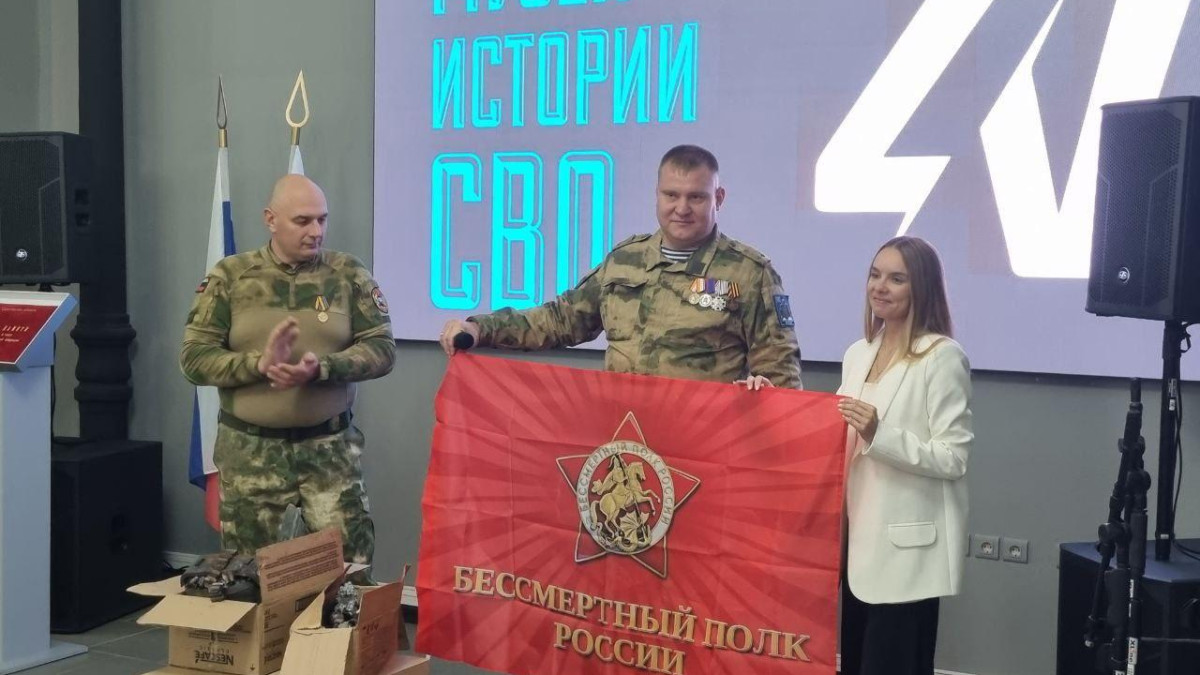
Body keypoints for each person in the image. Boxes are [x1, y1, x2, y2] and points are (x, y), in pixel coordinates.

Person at [439, 144, 803, 389]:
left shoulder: (750, 274)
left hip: (703, 450)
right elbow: (559, 320)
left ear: (718, 198)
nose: (681, 208)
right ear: (657, 194)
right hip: (624, 442)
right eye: (671, 195)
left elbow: (781, 374)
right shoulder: (624, 260)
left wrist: (765, 395)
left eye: (696, 197)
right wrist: (479, 328)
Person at [180, 174, 395, 567]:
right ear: (270, 219)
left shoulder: (348, 274)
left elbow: (382, 349)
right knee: (251, 576)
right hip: (250, 454)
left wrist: (323, 368)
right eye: (302, 221)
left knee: (348, 573)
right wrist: (258, 365)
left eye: (322, 219)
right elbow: (194, 359)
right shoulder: (231, 277)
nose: (316, 231)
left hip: (330, 452)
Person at [835, 236, 973, 674]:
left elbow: (953, 457)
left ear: (922, 287)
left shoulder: (941, 357)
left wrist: (880, 434)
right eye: (875, 275)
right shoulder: (857, 354)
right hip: (854, 545)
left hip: (905, 555)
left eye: (896, 278)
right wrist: (764, 399)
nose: (880, 287)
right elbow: (834, 434)